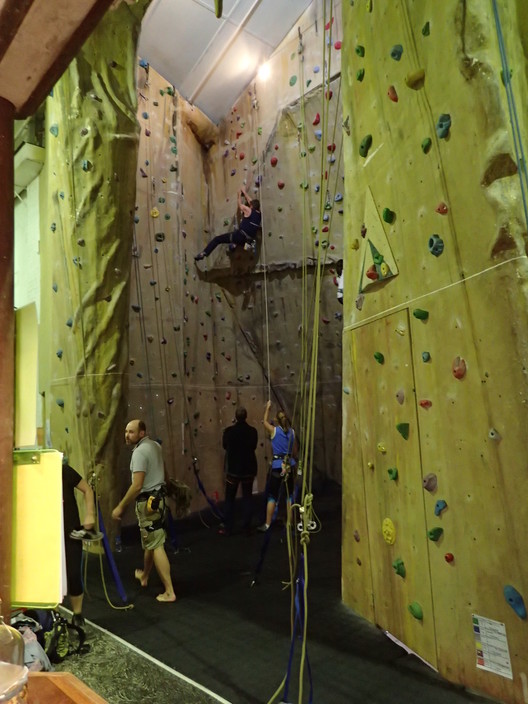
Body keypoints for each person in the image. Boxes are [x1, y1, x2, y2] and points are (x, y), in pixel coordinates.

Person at [111, 420, 176, 603]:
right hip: (159, 500)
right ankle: (145, 576)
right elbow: (164, 469)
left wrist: (121, 506)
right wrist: (169, 485)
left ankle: (169, 591)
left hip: (148, 504)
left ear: (141, 433)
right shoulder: (155, 445)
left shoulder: (139, 452)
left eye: (131, 432)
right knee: (151, 540)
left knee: (156, 545)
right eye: (126, 431)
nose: (127, 435)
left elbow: (137, 485)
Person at [62, 461, 96, 627]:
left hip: (71, 533)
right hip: (49, 535)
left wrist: (90, 514)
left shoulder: (64, 470)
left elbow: (87, 490)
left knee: (74, 574)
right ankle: (52, 617)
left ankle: (77, 614)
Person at [258, 401, 298, 532]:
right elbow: (294, 451)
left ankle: (268, 524)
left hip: (276, 466)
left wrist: (267, 409)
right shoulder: (292, 432)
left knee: (272, 496)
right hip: (289, 465)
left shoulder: (274, 431)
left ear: (277, 420)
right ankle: (289, 524)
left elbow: (264, 422)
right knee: (289, 496)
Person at [220, 407, 258, 535]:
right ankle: (246, 526)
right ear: (246, 416)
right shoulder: (253, 431)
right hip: (248, 468)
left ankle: (228, 527)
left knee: (229, 498)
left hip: (233, 469)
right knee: (247, 496)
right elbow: (253, 446)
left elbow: (225, 446)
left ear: (235, 417)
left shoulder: (229, 431)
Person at [195, 186, 261, 260]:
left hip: (239, 236)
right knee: (242, 244)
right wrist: (245, 193)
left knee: (217, 239)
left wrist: (239, 195)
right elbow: (251, 202)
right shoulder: (259, 215)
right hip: (248, 239)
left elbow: (240, 206)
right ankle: (238, 246)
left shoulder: (248, 210)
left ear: (251, 206)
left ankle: (204, 253)